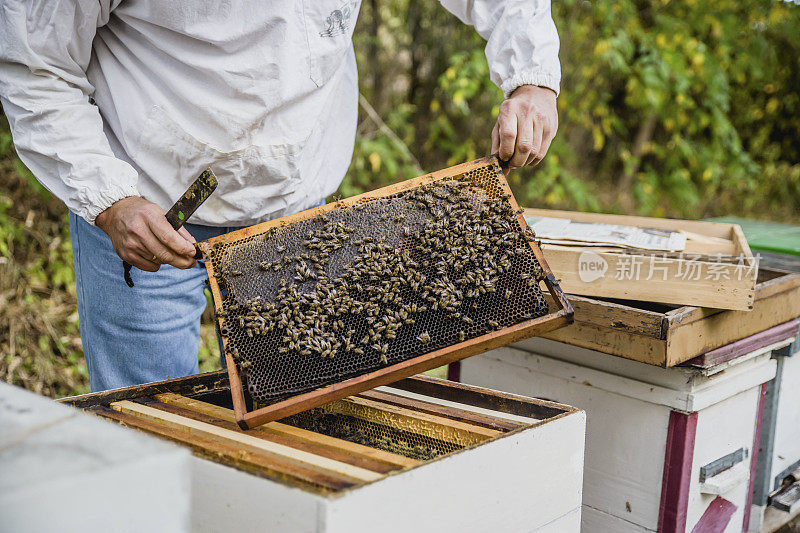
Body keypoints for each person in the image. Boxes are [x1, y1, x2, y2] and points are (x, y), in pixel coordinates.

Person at [0, 0, 561, 391]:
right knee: (149, 442)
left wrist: (531, 75)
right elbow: (32, 63)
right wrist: (110, 200)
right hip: (148, 209)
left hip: (299, 214)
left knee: (292, 428)